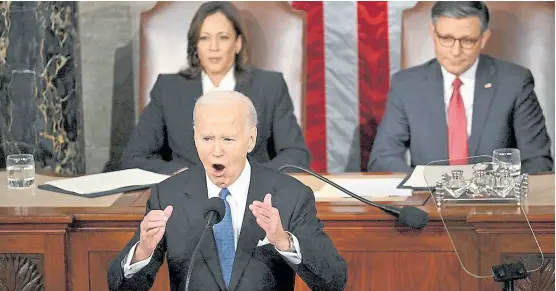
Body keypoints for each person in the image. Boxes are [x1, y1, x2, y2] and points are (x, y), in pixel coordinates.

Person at [107, 90, 347, 291]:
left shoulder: (290, 195)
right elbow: (119, 287)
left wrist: (284, 242)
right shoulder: (168, 196)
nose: (216, 151)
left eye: (228, 140)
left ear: (251, 139)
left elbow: (334, 280)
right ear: (195, 137)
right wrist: (143, 251)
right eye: (207, 138)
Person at [120, 1, 310, 175]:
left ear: (238, 44)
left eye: (223, 38)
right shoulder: (168, 89)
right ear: (196, 46)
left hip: (254, 200)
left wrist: (249, 178)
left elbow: (296, 155)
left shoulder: (269, 86)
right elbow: (134, 158)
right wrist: (182, 174)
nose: (214, 47)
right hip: (186, 198)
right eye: (204, 38)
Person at [368, 1, 553, 173]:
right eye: (447, 38)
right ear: (433, 34)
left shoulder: (515, 82)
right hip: (428, 201)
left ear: (483, 38)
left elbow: (538, 161)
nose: (456, 52)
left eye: (467, 41)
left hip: (493, 203)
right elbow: (383, 158)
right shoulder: (406, 85)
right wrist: (424, 187)